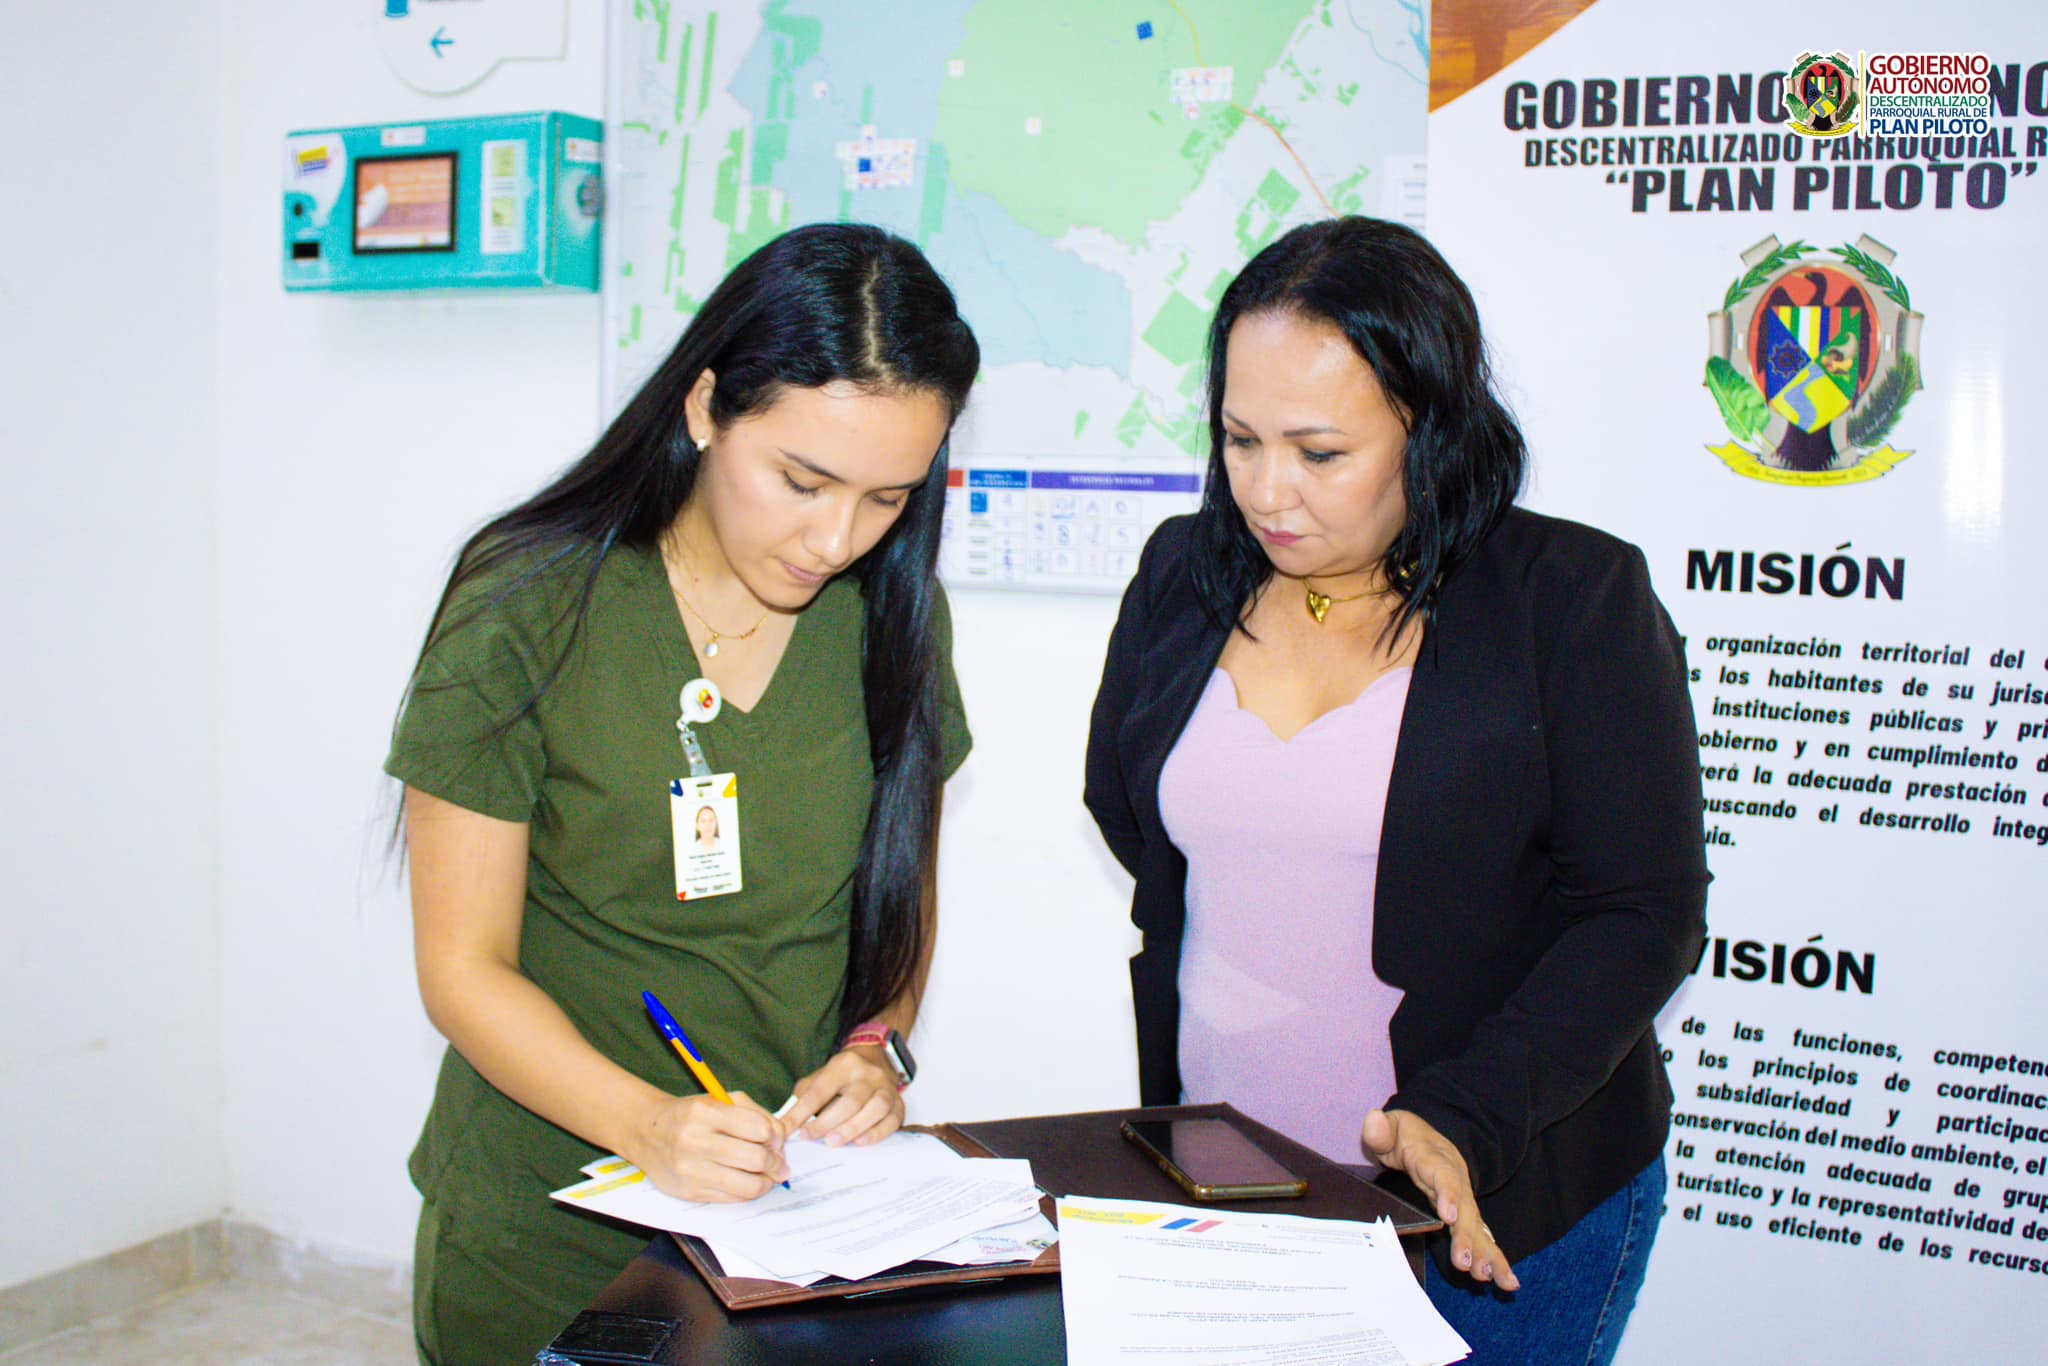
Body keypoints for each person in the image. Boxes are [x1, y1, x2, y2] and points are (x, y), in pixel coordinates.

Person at [1084, 217, 1707, 1363]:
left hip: (1498, 1199)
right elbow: (1129, 813)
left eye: (1319, 453)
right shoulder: (1181, 569)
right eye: (1238, 439)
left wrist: (1464, 1113)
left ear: (1429, 429)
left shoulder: (1570, 598)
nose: (1267, 490)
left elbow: (1641, 912)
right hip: (1231, 1186)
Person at [387, 222, 979, 1365]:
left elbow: (897, 897)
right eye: (801, 480)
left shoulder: (892, 617)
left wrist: (877, 1047)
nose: (834, 538)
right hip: (546, 1226)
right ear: (706, 406)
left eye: (886, 498)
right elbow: (462, 969)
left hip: (787, 1233)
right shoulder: (526, 602)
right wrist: (646, 1123)